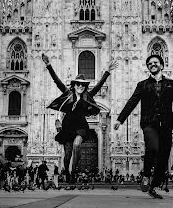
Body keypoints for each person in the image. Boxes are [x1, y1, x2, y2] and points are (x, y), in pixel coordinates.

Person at [114, 54, 173, 199]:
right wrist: (119, 120)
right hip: (149, 123)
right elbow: (132, 102)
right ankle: (146, 175)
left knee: (163, 158)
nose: (152, 65)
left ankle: (153, 187)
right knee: (153, 147)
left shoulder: (171, 84)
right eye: (149, 63)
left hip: (166, 125)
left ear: (161, 65)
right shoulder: (142, 85)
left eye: (155, 62)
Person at [42, 53, 118, 183]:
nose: (80, 86)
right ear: (74, 85)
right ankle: (67, 171)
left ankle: (73, 170)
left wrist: (107, 72)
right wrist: (48, 65)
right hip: (68, 127)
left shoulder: (87, 96)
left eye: (83, 85)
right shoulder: (67, 94)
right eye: (78, 84)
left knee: (77, 144)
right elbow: (57, 81)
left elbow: (99, 85)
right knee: (67, 154)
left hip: (81, 126)